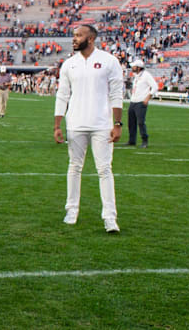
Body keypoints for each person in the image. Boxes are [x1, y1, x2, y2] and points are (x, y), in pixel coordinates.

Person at [54, 24, 123, 233]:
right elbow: (62, 95)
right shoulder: (69, 64)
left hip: (102, 124)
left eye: (78, 35)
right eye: (74, 35)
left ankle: (110, 217)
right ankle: (71, 210)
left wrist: (117, 124)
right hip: (75, 124)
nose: (74, 39)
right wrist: (57, 124)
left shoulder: (109, 61)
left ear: (90, 38)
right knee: (74, 168)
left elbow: (117, 94)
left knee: (104, 170)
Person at [125, 59, 158, 148]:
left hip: (141, 101)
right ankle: (132, 140)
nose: (132, 68)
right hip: (133, 101)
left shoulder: (146, 75)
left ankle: (144, 140)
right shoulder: (136, 76)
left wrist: (148, 98)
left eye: (134, 66)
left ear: (139, 67)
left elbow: (155, 87)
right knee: (131, 122)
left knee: (140, 122)